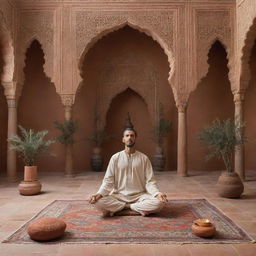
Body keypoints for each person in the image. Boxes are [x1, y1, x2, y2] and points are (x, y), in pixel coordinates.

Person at [89, 124, 168, 217]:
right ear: (123, 139)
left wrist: (157, 193)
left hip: (139, 196)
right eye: (127, 135)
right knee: (98, 202)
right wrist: (99, 194)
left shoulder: (143, 158)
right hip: (118, 196)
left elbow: (150, 181)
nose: (129, 138)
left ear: (135, 139)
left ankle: (122, 209)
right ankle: (135, 210)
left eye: (132, 136)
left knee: (159, 203)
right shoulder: (115, 158)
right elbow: (108, 181)